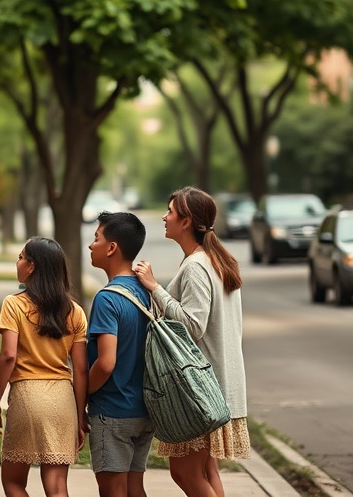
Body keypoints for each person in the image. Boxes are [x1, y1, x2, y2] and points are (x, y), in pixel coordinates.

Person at [132, 187, 249, 497]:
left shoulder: (197, 266)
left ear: (185, 221)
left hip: (201, 389)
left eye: (170, 212)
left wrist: (155, 288)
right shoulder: (216, 260)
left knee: (184, 472)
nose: (164, 217)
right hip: (219, 384)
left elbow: (193, 326)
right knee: (207, 470)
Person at [0, 236, 89, 497]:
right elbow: (80, 369)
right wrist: (80, 415)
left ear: (32, 266)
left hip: (26, 398)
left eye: (21, 257)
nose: (18, 262)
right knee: (57, 487)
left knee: (13, 482)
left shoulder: (14, 305)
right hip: (63, 400)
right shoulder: (75, 311)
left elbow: (8, 356)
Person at [86, 211, 154, 497]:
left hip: (112, 412)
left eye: (96, 238)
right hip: (145, 410)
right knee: (135, 488)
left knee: (113, 491)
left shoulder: (107, 298)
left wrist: (82, 393)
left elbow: (106, 362)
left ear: (112, 247)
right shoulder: (148, 291)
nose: (91, 245)